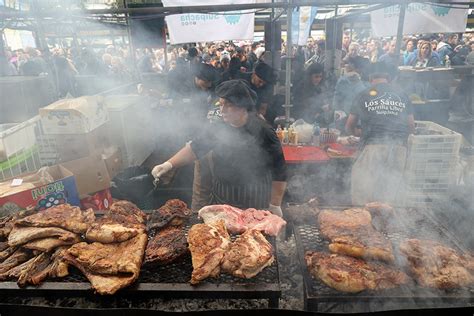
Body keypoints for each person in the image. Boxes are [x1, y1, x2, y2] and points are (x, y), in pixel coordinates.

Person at [152, 80, 287, 216]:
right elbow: (196, 148)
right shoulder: (218, 128)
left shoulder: (264, 131)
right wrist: (169, 164)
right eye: (221, 104)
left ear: (243, 106)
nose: (222, 110)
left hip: (255, 200)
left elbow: (279, 169)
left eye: (228, 105)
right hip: (223, 198)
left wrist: (275, 204)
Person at [345, 62, 415, 205]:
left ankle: (363, 225)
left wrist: (358, 133)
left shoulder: (363, 94)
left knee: (363, 197)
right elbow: (411, 126)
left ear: (370, 79)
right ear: (389, 78)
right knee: (388, 197)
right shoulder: (402, 94)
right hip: (399, 149)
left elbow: (349, 125)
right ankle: (386, 226)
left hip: (373, 148)